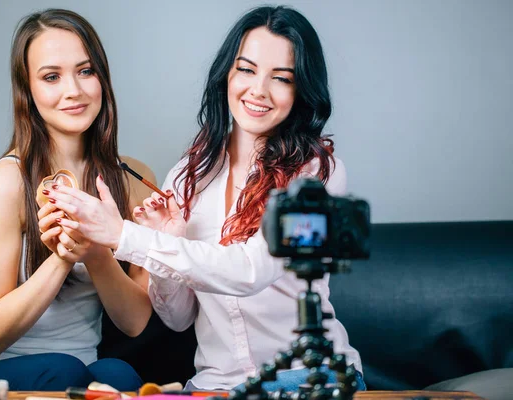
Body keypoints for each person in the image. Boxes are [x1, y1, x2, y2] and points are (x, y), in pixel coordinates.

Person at [43, 6, 366, 392]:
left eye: (281, 78)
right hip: (217, 384)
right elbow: (179, 317)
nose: (258, 90)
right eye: (246, 70)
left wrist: (124, 235)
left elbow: (251, 272)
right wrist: (171, 239)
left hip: (310, 379)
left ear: (301, 90)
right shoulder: (186, 175)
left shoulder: (318, 178)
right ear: (227, 74)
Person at [0, 9, 154, 391]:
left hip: (73, 369)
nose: (73, 90)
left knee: (120, 375)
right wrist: (62, 256)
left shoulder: (132, 179)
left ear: (102, 79)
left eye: (86, 71)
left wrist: (94, 252)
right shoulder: (8, 180)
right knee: (64, 372)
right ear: (28, 91)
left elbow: (135, 322)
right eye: (51, 77)